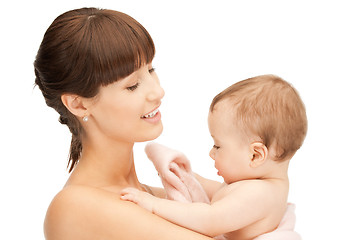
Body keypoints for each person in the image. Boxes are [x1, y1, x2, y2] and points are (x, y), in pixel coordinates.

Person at [34, 7, 214, 240]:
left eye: (151, 69)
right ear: (78, 104)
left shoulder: (155, 194)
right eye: (132, 85)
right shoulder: (74, 207)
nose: (158, 92)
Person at [120, 75, 308, 240]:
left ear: (255, 155)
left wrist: (153, 205)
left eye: (218, 146)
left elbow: (209, 220)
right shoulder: (256, 184)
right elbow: (221, 191)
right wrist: (187, 176)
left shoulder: (260, 194)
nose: (211, 153)